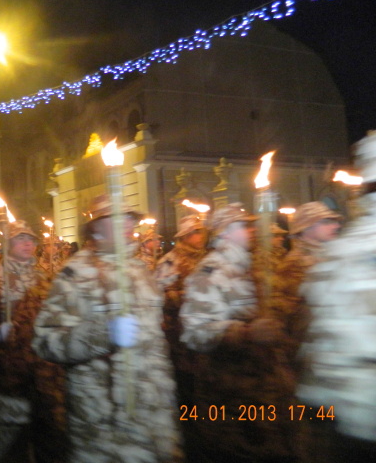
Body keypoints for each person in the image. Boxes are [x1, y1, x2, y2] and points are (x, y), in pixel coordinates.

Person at [33, 195, 183, 463]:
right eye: (118, 217)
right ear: (96, 228)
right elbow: (45, 340)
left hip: (152, 413)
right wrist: (102, 334)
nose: (128, 223)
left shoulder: (138, 268)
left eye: (130, 217)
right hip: (105, 425)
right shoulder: (76, 273)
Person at [180, 202, 304, 462]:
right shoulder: (210, 273)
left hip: (265, 385)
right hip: (232, 393)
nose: (252, 230)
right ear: (224, 232)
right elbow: (195, 332)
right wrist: (245, 332)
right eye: (244, 226)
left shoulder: (250, 266)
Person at [296, 131, 376, 462]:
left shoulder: (339, 252)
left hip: (348, 413)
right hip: (357, 411)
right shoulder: (345, 252)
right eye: (324, 222)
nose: (332, 227)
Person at [0, 221, 59, 463]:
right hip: (8, 380)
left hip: (42, 379)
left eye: (31, 239)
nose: (28, 243)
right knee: (0, 448)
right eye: (20, 238)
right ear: (8, 245)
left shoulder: (44, 277)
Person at [265, 202, 341, 371]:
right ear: (306, 227)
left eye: (334, 221)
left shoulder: (329, 256)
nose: (336, 225)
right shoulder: (295, 264)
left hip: (333, 350)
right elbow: (282, 318)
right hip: (312, 356)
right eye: (326, 222)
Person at [155, 216, 207, 403]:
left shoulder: (207, 259)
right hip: (180, 331)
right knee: (185, 380)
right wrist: (185, 297)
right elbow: (159, 295)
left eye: (201, 231)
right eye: (195, 232)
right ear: (185, 236)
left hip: (204, 330)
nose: (200, 236)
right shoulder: (170, 261)